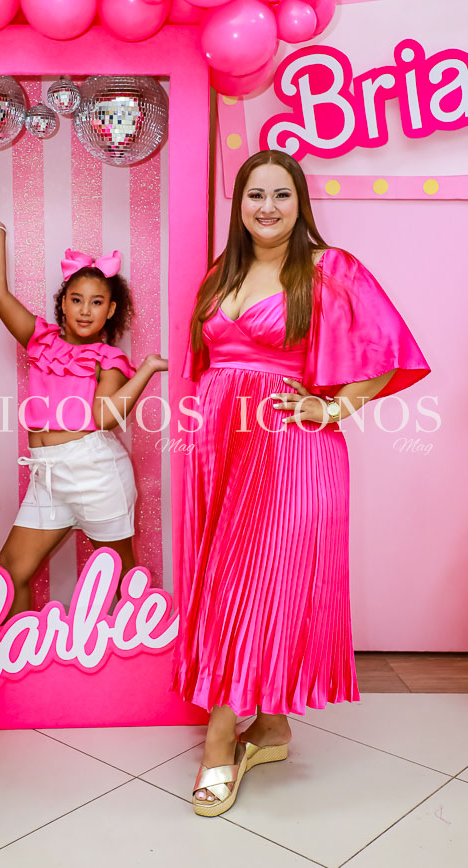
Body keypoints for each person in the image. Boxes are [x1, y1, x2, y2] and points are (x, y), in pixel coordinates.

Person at [174, 150, 430, 817]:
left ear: (300, 203)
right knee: (226, 582)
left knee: (251, 585)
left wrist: (333, 406)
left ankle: (219, 743)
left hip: (291, 450)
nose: (267, 207)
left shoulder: (327, 268)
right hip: (221, 449)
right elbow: (209, 367)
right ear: (238, 204)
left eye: (281, 195)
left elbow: (391, 351)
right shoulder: (221, 273)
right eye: (254, 195)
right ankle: (272, 727)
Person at [0, 209, 167, 617]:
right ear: (62, 303)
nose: (85, 310)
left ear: (110, 310)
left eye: (97, 302)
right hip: (46, 475)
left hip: (95, 473)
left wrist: (146, 369)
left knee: (123, 579)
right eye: (76, 300)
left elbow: (105, 418)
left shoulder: (108, 359)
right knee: (12, 570)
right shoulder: (41, 340)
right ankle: (19, 657)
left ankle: (139, 653)